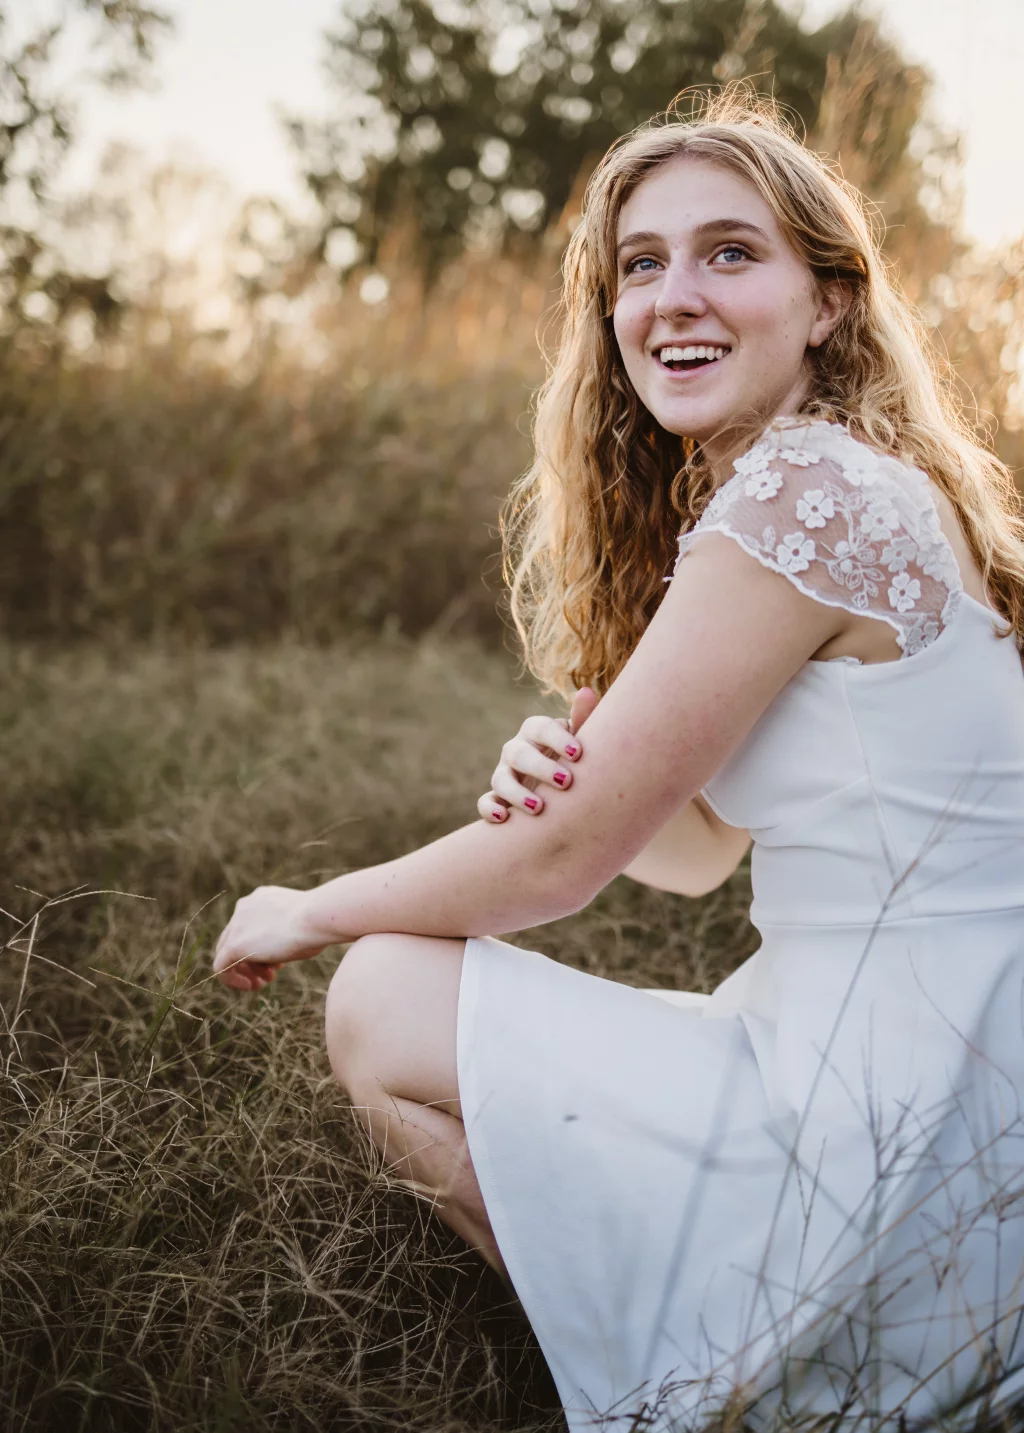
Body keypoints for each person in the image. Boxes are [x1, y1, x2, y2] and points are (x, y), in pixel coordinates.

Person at [212, 94, 1024, 1430]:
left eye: (729, 253)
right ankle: (695, 1349)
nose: (673, 297)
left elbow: (560, 862)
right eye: (640, 265)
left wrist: (314, 904)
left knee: (378, 994)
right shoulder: (831, 486)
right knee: (422, 1002)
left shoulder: (802, 497)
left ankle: (705, 1379)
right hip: (918, 1064)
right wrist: (584, 754)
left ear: (827, 304)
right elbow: (694, 860)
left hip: (914, 1115)